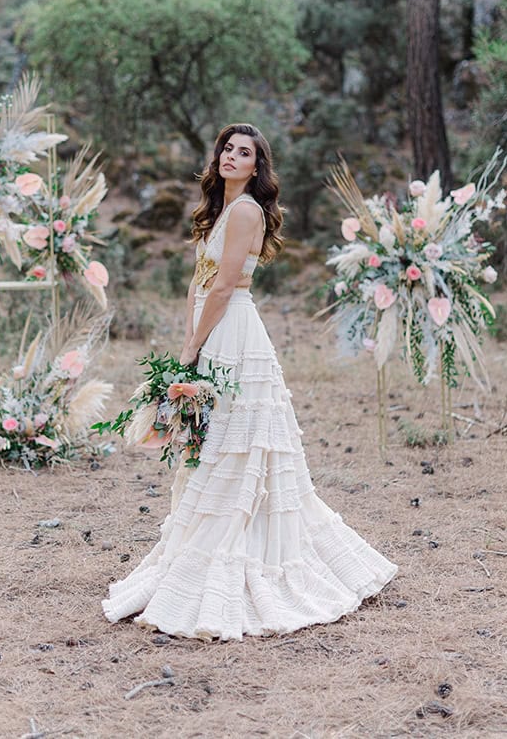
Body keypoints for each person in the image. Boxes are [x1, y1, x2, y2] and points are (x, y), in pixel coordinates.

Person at [102, 123, 397, 641]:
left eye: (245, 153)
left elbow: (221, 287)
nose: (232, 157)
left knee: (235, 442)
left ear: (258, 168)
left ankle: (242, 555)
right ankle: (207, 544)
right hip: (210, 329)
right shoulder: (219, 210)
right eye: (227, 150)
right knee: (212, 443)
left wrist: (194, 348)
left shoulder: (245, 212)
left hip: (233, 333)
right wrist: (186, 339)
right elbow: (197, 284)